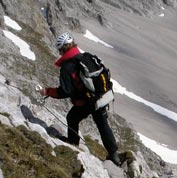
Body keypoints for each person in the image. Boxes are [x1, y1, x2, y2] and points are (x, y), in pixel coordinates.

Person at [39, 32, 121, 166]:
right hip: (100, 97)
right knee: (102, 124)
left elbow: (65, 91)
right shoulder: (85, 57)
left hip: (86, 102)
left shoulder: (67, 67)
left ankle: (73, 143)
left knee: (72, 117)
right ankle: (114, 155)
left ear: (61, 49)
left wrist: (47, 91)